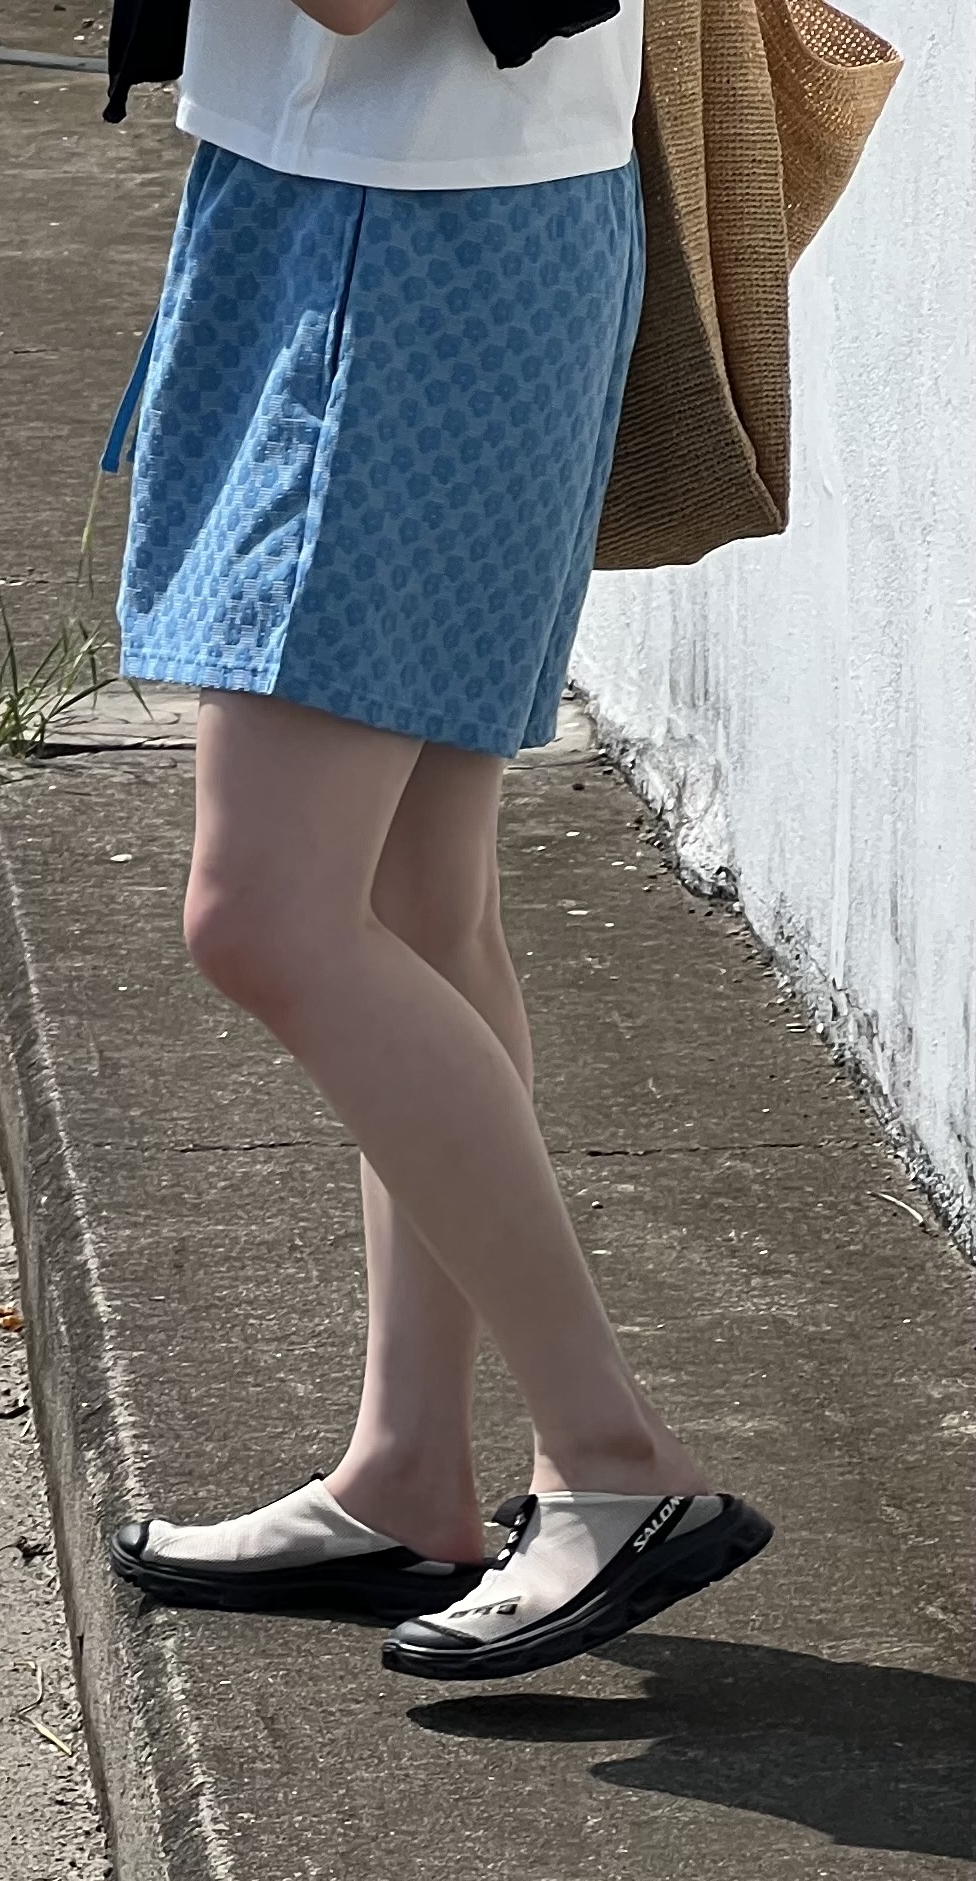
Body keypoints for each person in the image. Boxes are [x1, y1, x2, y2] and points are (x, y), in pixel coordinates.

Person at [102, 0, 771, 1681]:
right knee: (420, 905)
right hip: (392, 206)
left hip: (410, 239)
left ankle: (612, 1453)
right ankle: (407, 1471)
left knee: (265, 917)